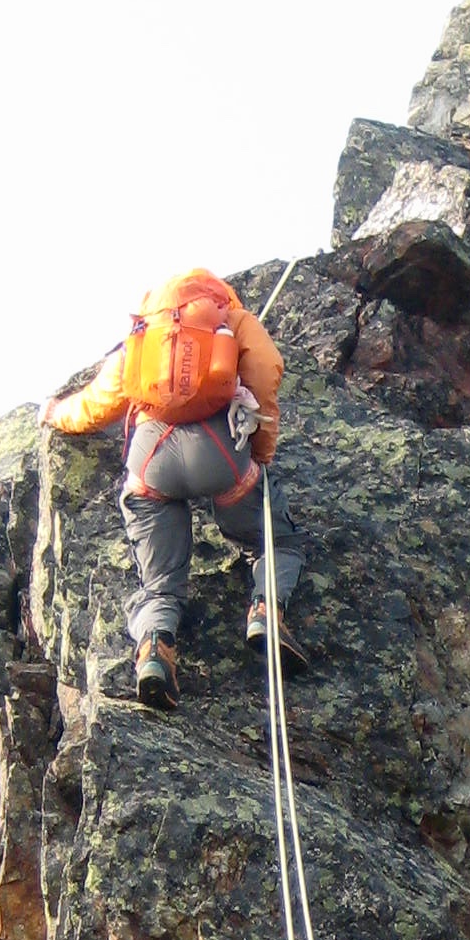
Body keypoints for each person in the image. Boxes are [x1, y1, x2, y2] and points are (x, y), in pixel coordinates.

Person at [42, 267, 302, 710]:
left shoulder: (144, 337)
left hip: (151, 457)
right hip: (220, 452)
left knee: (159, 584)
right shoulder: (231, 320)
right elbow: (265, 367)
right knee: (279, 543)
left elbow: (98, 403)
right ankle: (265, 610)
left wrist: (53, 412)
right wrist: (259, 452)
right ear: (219, 297)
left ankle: (155, 653)